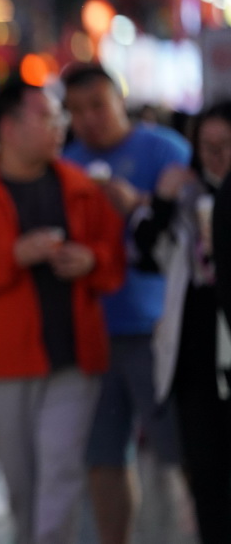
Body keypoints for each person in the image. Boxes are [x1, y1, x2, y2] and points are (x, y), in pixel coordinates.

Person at [0, 79, 125, 544]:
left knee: (61, 472)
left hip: (74, 359)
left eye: (58, 116)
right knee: (22, 482)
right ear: (9, 127)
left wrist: (91, 260)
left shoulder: (81, 189)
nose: (59, 125)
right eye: (47, 116)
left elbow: (115, 257)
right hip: (3, 361)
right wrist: (13, 255)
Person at [61, 64, 190, 544]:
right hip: (92, 331)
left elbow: (190, 234)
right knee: (101, 455)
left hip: (156, 328)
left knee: (176, 450)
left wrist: (140, 204)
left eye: (98, 105)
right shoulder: (67, 164)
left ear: (120, 100)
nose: (89, 119)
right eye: (76, 110)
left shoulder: (165, 150)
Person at [135, 101, 231, 544]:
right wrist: (161, 201)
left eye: (225, 146)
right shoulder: (184, 196)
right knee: (206, 475)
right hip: (194, 355)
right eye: (207, 146)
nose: (216, 157)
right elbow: (147, 253)